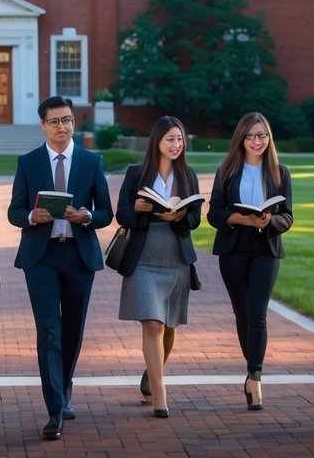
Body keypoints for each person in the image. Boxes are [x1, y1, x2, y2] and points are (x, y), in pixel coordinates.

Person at [7, 96, 113, 441]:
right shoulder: (28, 162)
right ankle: (55, 408)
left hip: (79, 257)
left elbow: (106, 213)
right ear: (42, 125)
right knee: (49, 331)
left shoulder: (91, 161)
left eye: (66, 120)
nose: (62, 127)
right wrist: (29, 217)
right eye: (54, 121)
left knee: (72, 332)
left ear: (73, 122)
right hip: (41, 257)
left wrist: (86, 217)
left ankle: (64, 387)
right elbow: (14, 211)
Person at [112, 115, 203, 419]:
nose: (176, 145)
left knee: (169, 325)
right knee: (153, 322)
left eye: (179, 139)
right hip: (144, 257)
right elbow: (122, 214)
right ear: (157, 142)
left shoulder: (188, 174)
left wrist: (181, 217)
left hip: (175, 256)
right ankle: (160, 392)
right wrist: (138, 210)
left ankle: (153, 374)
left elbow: (195, 218)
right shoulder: (136, 173)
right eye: (170, 140)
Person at [207, 112, 294, 411]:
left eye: (262, 135)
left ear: (269, 138)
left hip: (265, 248)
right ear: (240, 139)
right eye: (251, 136)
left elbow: (288, 217)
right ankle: (251, 369)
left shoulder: (280, 172)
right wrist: (242, 218)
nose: (257, 141)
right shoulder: (227, 171)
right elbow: (214, 214)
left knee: (257, 313)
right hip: (233, 248)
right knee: (241, 313)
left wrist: (269, 221)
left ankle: (254, 376)